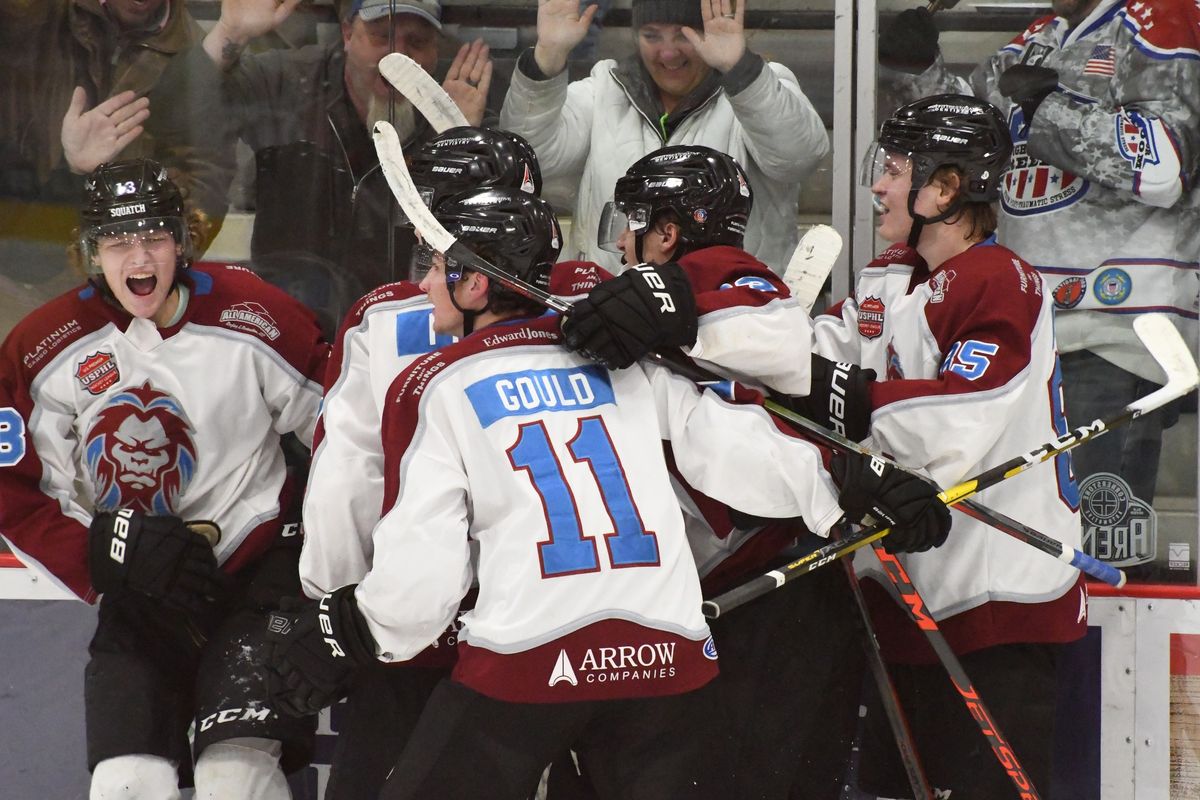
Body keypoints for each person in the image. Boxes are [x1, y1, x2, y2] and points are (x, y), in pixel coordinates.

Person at [263, 185, 947, 799]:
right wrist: (857, 484)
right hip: (668, 660)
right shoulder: (629, 361)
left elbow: (425, 576)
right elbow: (734, 449)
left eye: (440, 267)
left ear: (476, 286)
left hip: (528, 658)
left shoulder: (437, 382)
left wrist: (350, 630)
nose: (427, 283)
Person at [559, 145, 922, 799]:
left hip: (779, 599)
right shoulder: (648, 317)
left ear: (668, 231)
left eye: (633, 219)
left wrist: (675, 307)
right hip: (730, 599)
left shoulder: (717, 278)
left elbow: (774, 340)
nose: (619, 237)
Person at [0, 159, 328, 798]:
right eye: (118, 242)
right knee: (127, 784)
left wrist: (332, 558)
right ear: (92, 254)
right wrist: (102, 553)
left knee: (234, 780)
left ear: (183, 240)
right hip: (142, 600)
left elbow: (346, 436)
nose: (139, 257)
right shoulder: (46, 346)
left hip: (258, 580)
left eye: (154, 237)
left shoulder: (257, 315)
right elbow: (13, 485)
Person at [801, 95, 1087, 797]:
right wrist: (707, 333)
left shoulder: (1000, 279)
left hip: (997, 598)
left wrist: (846, 400)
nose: (879, 185)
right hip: (913, 587)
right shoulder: (888, 275)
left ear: (945, 187)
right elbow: (808, 360)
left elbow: (961, 413)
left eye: (895, 170)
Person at [877, 0, 1200, 579]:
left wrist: (1048, 108)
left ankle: (1099, 670)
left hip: (1111, 333)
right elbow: (965, 149)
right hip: (1028, 334)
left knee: (1088, 556)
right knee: (1028, 548)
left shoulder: (1161, 20)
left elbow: (1164, 164)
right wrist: (918, 71)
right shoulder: (1034, 39)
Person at [298, 125, 555, 800]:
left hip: (410, 621)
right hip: (547, 621)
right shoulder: (583, 307)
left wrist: (336, 605)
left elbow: (343, 480)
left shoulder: (383, 318)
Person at [177, 0, 494, 309]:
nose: (398, 55)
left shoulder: (455, 105)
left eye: (417, 41)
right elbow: (176, 118)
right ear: (346, 35)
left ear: (435, 52)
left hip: (402, 320)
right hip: (285, 321)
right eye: (381, 36)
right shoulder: (286, 82)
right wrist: (228, 33)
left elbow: (480, 245)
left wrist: (456, 142)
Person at [499, 0, 829, 274]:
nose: (668, 53)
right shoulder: (604, 91)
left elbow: (799, 158)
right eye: (652, 35)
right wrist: (548, 55)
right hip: (609, 324)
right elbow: (530, 160)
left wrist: (740, 69)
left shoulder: (759, 88)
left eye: (685, 35)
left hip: (726, 327)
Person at [0, 0, 232, 232]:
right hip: (28, 244)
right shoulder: (35, 19)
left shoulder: (200, 57)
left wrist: (144, 248)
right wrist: (73, 171)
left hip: (121, 257)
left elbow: (204, 194)